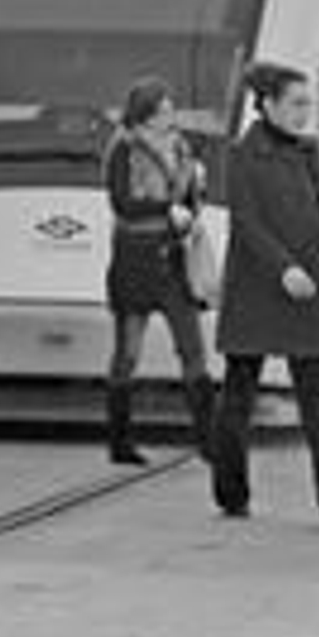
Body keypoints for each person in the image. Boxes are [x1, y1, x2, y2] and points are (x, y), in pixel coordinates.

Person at [208, 62, 319, 522]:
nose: (304, 113)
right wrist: (284, 268)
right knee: (239, 393)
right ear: (268, 105)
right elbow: (246, 222)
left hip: (309, 284)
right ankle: (231, 493)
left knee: (316, 397)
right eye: (296, 104)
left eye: (307, 104)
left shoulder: (308, 151)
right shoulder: (241, 155)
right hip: (260, 284)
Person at [101, 76, 216, 465]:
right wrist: (165, 210)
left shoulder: (182, 148)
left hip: (173, 259)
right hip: (135, 259)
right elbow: (122, 203)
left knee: (193, 349)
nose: (172, 115)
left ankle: (209, 441)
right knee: (128, 353)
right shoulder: (123, 149)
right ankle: (120, 442)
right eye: (165, 109)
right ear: (146, 115)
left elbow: (186, 200)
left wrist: (195, 194)